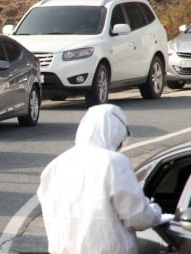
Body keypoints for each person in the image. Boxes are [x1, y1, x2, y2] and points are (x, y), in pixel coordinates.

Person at [37, 104, 162, 254]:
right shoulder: (113, 162)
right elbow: (137, 215)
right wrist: (156, 212)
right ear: (116, 132)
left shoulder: (55, 166)